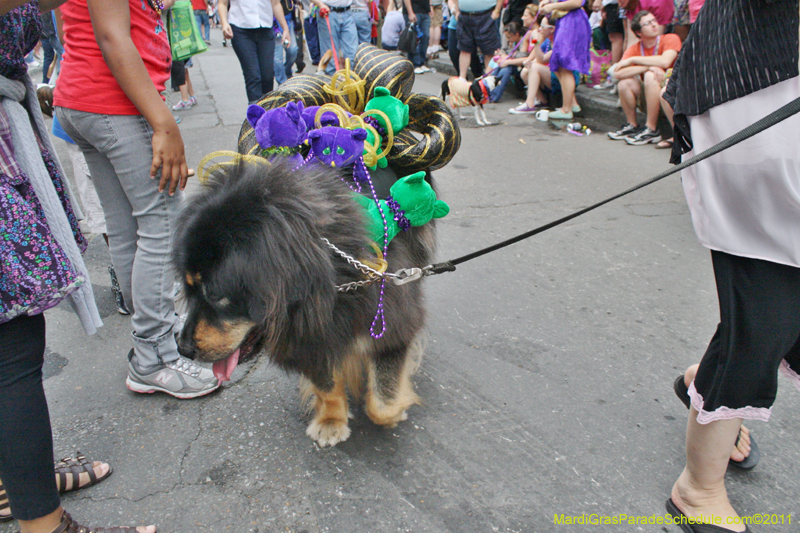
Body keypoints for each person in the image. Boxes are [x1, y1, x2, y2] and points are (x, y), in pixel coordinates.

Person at [0, 1, 155, 531]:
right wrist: (162, 121)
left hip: (51, 106)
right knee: (12, 352)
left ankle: (15, 480)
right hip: (93, 106)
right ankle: (44, 522)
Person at [662, 0, 798, 530]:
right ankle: (698, 487)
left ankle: (709, 383)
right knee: (766, 312)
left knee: (776, 309)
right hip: (760, 90)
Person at [54, 0, 221, 399]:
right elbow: (113, 36)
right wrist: (163, 122)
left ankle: (153, 334)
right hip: (117, 103)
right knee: (161, 225)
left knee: (129, 229)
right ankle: (155, 355)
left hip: (86, 100)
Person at [607, 9, 680, 144]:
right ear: (639, 32)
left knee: (650, 76)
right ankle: (632, 126)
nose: (653, 25)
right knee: (625, 82)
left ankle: (651, 129)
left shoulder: (670, 38)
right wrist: (647, 66)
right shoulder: (635, 49)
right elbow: (618, 73)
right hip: (648, 98)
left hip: (671, 96)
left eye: (654, 21)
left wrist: (633, 61)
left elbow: (665, 61)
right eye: (647, 23)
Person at [220, 0, 290, 103]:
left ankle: (266, 109)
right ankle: (255, 114)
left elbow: (275, 4)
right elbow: (222, 3)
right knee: (253, 76)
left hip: (265, 30)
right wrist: (224, 23)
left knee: (267, 76)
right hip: (241, 30)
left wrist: (285, 28)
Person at [537, 0, 591, 120]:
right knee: (558, 64)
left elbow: (577, 2)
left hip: (572, 21)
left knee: (564, 65)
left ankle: (566, 110)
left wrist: (552, 6)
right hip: (566, 21)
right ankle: (572, 104)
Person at [452, 0, 504, 79]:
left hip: (486, 14)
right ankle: (462, 78)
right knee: (464, 49)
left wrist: (497, 10)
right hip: (464, 15)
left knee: (489, 51)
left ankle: (489, 81)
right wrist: (457, 10)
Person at [309, 0, 358, 75]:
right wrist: (319, 4)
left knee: (353, 53)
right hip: (328, 11)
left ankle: (352, 82)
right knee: (330, 56)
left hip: (348, 12)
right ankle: (332, 82)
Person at [487, 21, 528, 102]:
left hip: (521, 66)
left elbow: (522, 57)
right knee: (499, 64)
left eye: (509, 37)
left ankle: (494, 95)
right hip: (514, 63)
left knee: (506, 68)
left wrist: (506, 59)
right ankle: (488, 90)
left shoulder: (523, 41)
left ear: (516, 34)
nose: (508, 39)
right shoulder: (513, 42)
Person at [273, 0, 300, 84]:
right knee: (277, 58)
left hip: (288, 17)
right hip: (274, 22)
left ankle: (287, 71)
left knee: (293, 50)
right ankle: (282, 82)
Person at [403, 0, 431, 73]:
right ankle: (414, 64)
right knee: (414, 38)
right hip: (414, 11)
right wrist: (410, 12)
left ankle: (421, 62)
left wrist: (430, 7)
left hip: (425, 11)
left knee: (425, 36)